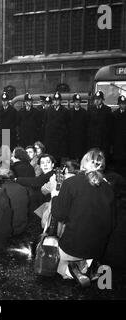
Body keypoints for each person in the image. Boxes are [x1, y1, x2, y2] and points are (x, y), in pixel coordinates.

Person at [49, 149, 115, 287]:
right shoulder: (109, 188)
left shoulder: (71, 183)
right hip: (97, 249)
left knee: (54, 264)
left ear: (83, 163)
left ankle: (70, 270)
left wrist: (54, 196)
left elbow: (58, 214)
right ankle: (87, 267)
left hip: (73, 247)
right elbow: (112, 223)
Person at [44, 92, 69, 165]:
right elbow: (45, 124)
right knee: (50, 157)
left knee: (58, 159)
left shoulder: (65, 111)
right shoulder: (48, 110)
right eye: (54, 100)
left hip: (59, 139)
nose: (56, 102)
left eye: (57, 100)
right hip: (50, 139)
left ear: (60, 101)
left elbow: (67, 125)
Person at [87, 91, 113, 160]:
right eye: (96, 99)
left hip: (103, 139)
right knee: (93, 156)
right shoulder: (90, 109)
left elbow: (109, 125)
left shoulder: (107, 110)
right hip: (93, 139)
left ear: (102, 100)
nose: (97, 101)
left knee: (102, 157)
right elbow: (88, 124)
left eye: (99, 99)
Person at [68, 93, 88, 161]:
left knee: (80, 155)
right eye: (75, 102)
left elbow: (86, 125)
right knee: (71, 155)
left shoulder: (84, 112)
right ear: (73, 102)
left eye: (78, 102)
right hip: (71, 137)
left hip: (81, 137)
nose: (77, 103)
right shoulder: (69, 112)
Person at [112, 95, 126, 177]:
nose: (122, 105)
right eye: (121, 104)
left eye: (124, 104)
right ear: (118, 104)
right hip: (117, 142)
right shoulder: (114, 114)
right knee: (117, 162)